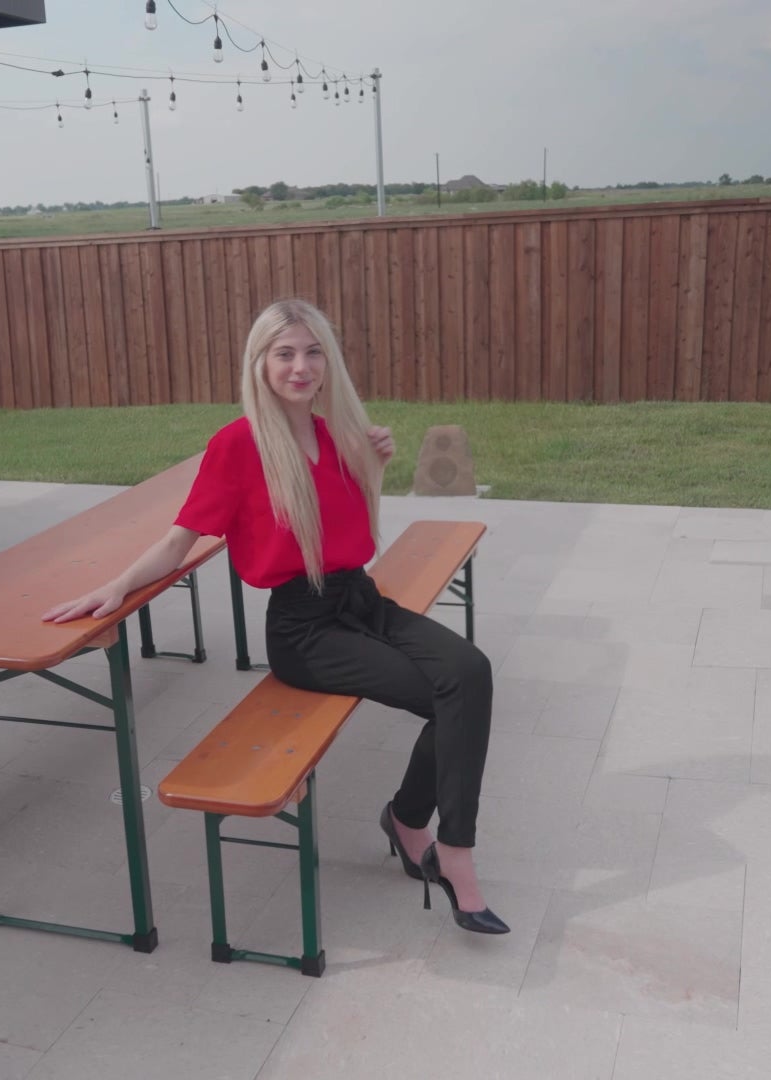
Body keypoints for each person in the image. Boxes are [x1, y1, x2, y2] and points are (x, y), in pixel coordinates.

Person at [42, 298, 506, 934]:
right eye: (284, 353)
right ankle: (451, 854)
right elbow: (179, 542)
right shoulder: (237, 445)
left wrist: (374, 465)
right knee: (450, 695)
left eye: (313, 352)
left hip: (361, 600)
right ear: (259, 362)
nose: (300, 366)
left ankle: (409, 819)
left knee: (470, 672)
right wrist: (114, 588)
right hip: (304, 629)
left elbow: (352, 529)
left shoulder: (336, 432)